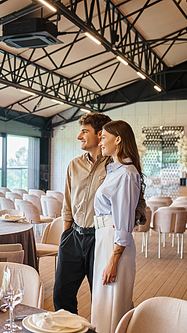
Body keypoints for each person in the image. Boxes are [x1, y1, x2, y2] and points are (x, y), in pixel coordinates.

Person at [53, 113, 145, 314]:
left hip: (101, 238)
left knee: (102, 298)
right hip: (74, 237)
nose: (79, 136)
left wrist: (127, 220)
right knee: (61, 295)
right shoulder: (73, 165)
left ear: (100, 134)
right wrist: (66, 235)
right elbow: (67, 204)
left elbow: (137, 202)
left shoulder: (116, 166)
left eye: (85, 131)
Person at [91, 120, 143, 333]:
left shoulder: (126, 174)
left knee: (112, 303)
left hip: (114, 242)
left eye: (103, 137)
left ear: (118, 139)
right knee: (104, 302)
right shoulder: (116, 170)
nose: (100, 142)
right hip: (105, 237)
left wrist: (114, 258)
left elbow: (124, 220)